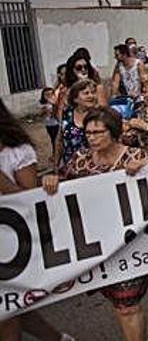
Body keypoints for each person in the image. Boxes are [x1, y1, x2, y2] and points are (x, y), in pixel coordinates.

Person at [43, 107, 148, 341]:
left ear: (113, 132)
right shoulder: (80, 158)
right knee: (115, 300)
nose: (91, 137)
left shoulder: (134, 156)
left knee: (127, 305)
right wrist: (52, 180)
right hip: (94, 245)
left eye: (98, 132)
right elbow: (62, 185)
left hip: (128, 243)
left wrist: (144, 169)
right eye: (88, 133)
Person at [0, 99, 74, 341]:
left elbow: (30, 200)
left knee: (7, 311)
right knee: (15, 308)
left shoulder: (17, 152)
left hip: (12, 243)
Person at [55, 79, 99, 168]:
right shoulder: (67, 113)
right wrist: (56, 165)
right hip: (69, 166)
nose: (91, 96)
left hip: (93, 166)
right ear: (75, 98)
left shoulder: (99, 115)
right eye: (86, 93)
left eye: (93, 92)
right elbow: (59, 139)